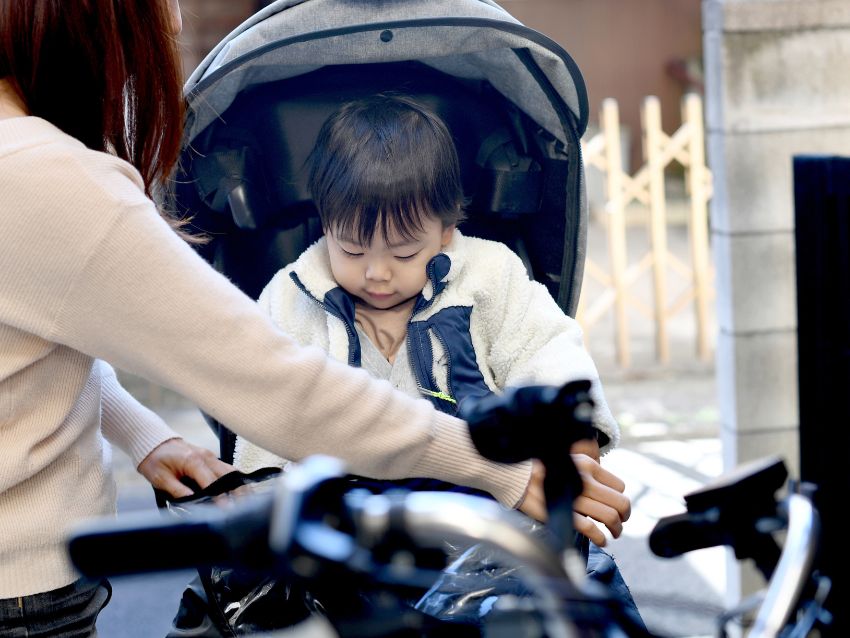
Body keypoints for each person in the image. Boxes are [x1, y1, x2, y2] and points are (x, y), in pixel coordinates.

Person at [0, 2, 544, 635]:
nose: (174, 21)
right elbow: (279, 389)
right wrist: (496, 468)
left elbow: (33, 346)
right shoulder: (47, 178)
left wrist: (146, 434)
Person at [227, 94, 643, 632]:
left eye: (403, 253)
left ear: (447, 228)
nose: (377, 273)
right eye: (351, 249)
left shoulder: (490, 277)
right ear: (323, 223)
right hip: (345, 537)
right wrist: (260, 501)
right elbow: (268, 414)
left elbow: (548, 350)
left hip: (486, 522)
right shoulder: (291, 298)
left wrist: (570, 440)